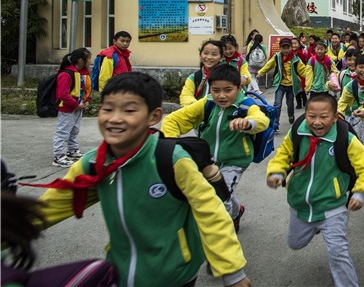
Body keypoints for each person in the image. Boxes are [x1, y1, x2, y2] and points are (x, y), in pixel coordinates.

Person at [33, 72, 252, 287]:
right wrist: (17, 226)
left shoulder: (172, 160)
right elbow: (50, 207)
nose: (115, 118)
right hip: (120, 272)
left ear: (154, 117)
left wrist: (231, 271)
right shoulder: (94, 164)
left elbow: (211, 212)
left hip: (175, 275)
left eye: (129, 110)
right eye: (108, 109)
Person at [266, 93, 364, 287]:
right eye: (312, 116)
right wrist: (277, 172)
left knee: (338, 253)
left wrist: (360, 193)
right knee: (295, 243)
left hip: (332, 207)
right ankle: (315, 227)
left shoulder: (345, 138)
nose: (317, 122)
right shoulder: (298, 132)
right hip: (300, 203)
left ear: (334, 117)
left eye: (324, 117)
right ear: (306, 115)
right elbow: (283, 154)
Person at [162, 64, 269, 231]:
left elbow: (262, 120)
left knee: (219, 197)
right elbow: (173, 120)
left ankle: (221, 231)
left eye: (228, 90)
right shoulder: (208, 103)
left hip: (235, 160)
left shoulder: (246, 105)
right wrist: (171, 146)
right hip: (208, 161)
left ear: (239, 88)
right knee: (221, 192)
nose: (221, 95)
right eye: (216, 90)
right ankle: (236, 212)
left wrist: (248, 123)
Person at [257, 37, 313, 129]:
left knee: (290, 104)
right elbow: (268, 65)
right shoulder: (277, 57)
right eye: (284, 48)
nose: (286, 50)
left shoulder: (296, 59)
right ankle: (276, 123)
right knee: (277, 104)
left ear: (291, 48)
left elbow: (302, 70)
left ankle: (291, 115)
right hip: (280, 84)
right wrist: (260, 73)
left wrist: (311, 76)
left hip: (291, 85)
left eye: (288, 48)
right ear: (280, 48)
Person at [52, 48, 92, 168]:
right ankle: (59, 156)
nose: (90, 61)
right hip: (67, 109)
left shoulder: (81, 74)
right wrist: (76, 105)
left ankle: (72, 150)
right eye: (89, 59)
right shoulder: (66, 74)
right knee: (63, 131)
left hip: (77, 108)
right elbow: (63, 94)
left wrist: (87, 100)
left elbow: (85, 89)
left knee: (74, 130)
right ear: (81, 61)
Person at [179, 38, 225, 107]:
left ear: (221, 58)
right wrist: (198, 107)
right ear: (200, 55)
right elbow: (186, 96)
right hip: (196, 111)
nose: (209, 57)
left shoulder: (226, 77)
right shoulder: (194, 77)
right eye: (205, 53)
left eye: (214, 54)